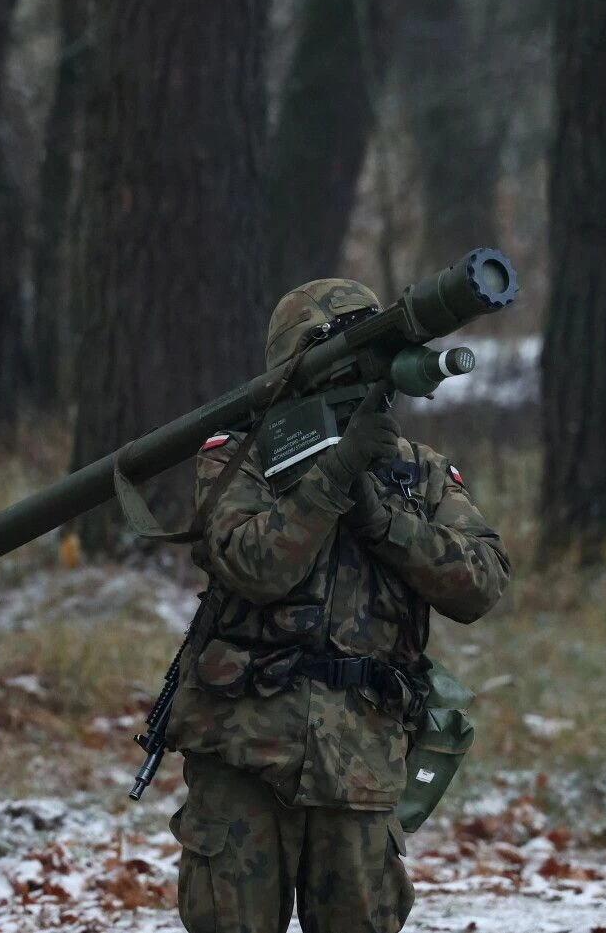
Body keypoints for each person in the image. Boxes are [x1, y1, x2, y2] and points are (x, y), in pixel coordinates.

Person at [164, 278, 512, 933]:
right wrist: (331, 476)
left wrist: (386, 522)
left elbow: (482, 583)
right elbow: (254, 563)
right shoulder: (240, 455)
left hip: (361, 765)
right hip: (244, 753)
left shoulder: (419, 471)